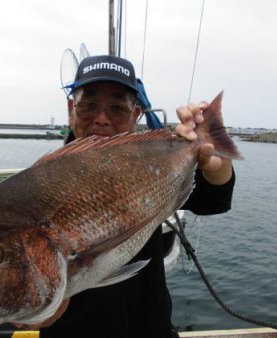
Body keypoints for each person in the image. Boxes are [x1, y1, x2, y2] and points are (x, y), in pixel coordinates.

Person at [37, 55, 235, 338]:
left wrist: (216, 165)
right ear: (71, 109)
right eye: (88, 105)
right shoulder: (42, 181)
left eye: (117, 108)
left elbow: (211, 200)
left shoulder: (153, 163)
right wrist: (32, 313)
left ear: (136, 115)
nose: (101, 119)